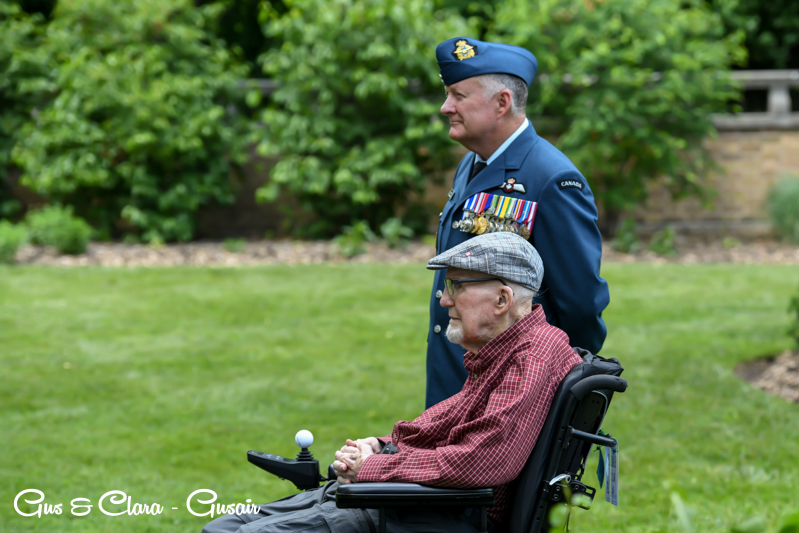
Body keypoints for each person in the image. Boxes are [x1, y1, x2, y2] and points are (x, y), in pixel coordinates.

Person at [202, 232, 582, 533]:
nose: (444, 300)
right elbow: (450, 424)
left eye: (456, 286)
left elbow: (481, 461)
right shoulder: (513, 348)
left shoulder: (529, 358)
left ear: (502, 300)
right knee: (225, 526)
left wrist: (372, 468)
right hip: (421, 505)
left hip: (437, 515)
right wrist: (383, 445)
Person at [426, 36, 610, 408]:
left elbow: (580, 307)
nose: (446, 107)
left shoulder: (552, 179)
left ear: (502, 103)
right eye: (447, 95)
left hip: (509, 398)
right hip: (456, 385)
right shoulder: (472, 164)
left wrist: (552, 388)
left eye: (459, 96)